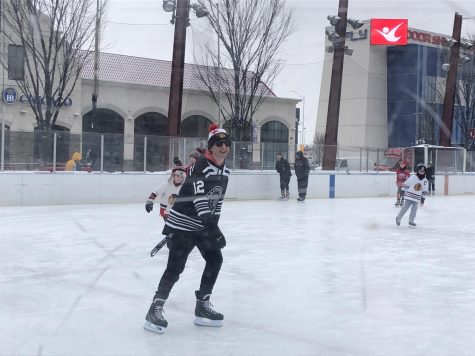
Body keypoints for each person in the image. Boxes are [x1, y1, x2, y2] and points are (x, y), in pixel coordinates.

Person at [144, 123, 231, 335]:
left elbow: (215, 203)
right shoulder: (202, 166)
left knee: (215, 259)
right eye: (218, 143)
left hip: (202, 225)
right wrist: (215, 231)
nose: (223, 146)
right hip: (183, 224)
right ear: (210, 147)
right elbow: (201, 202)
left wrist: (214, 227)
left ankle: (202, 304)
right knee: (176, 268)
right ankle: (155, 308)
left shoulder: (225, 171)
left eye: (226, 143)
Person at [396, 163, 429, 227]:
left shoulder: (425, 181)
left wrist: (423, 199)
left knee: (414, 210)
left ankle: (411, 221)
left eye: (423, 171)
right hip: (409, 197)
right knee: (405, 208)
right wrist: (402, 192)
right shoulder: (413, 177)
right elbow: (406, 184)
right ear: (418, 170)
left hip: (417, 198)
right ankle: (398, 218)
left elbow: (424, 191)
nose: (422, 172)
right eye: (420, 171)